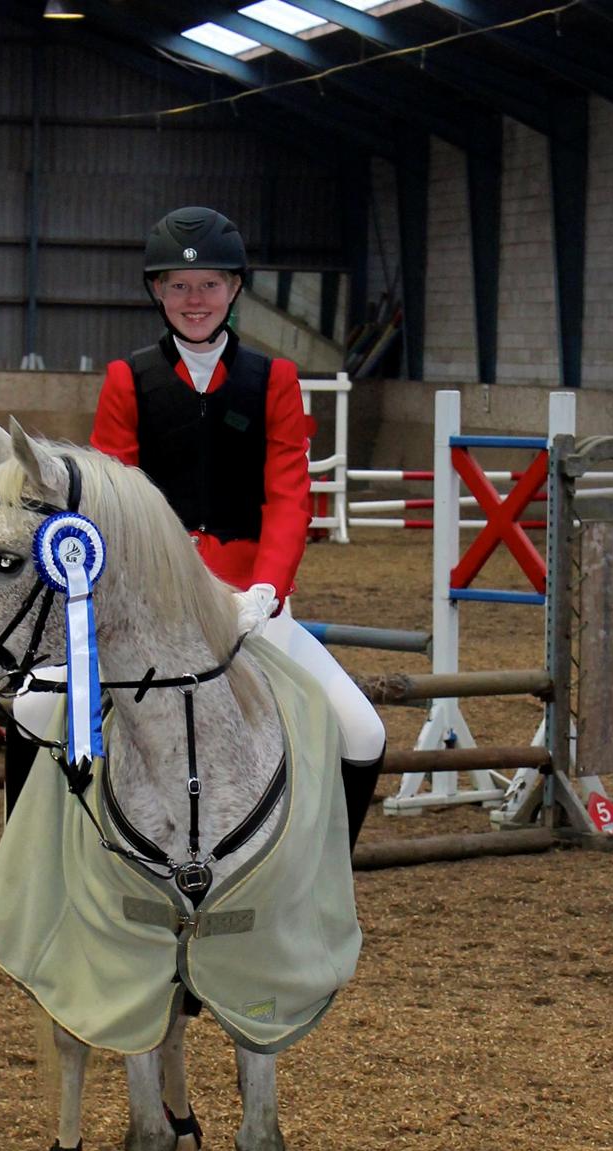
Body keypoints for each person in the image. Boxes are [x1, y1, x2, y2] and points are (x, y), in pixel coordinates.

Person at [90, 205, 386, 849]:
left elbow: (288, 494)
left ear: (235, 290)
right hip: (149, 606)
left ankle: (327, 870)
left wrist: (268, 590)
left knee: (363, 731)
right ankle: (36, 871)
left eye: (210, 286)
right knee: (34, 709)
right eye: (178, 286)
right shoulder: (127, 381)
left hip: (250, 601)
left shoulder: (274, 380)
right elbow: (113, 503)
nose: (194, 301)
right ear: (156, 292)